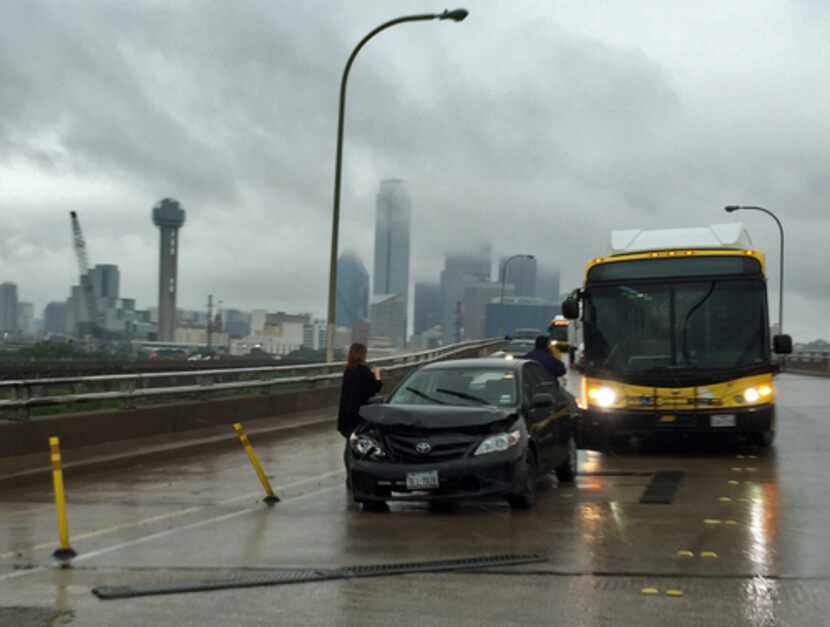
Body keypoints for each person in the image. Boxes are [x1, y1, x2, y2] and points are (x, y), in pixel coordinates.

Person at [338, 343, 382, 475]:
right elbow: (375, 388)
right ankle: (357, 475)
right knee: (360, 446)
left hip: (346, 414)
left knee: (348, 446)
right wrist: (377, 374)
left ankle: (349, 475)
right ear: (363, 354)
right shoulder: (364, 372)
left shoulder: (348, 370)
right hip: (360, 415)